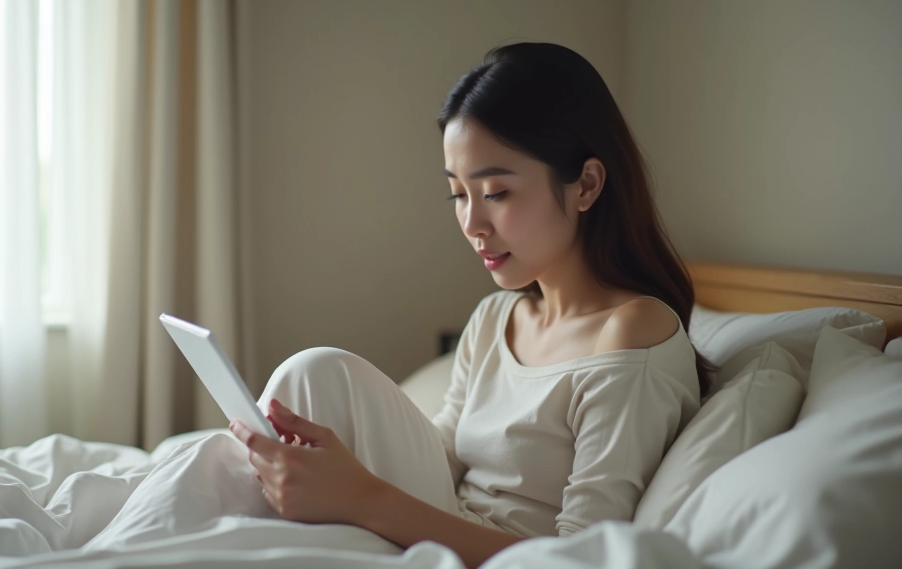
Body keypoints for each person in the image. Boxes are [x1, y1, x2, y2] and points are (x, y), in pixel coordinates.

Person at [228, 42, 716, 569]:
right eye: (458, 194)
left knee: (318, 373)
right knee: (294, 399)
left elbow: (582, 555)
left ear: (587, 185)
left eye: (497, 193)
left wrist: (361, 499)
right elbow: (442, 457)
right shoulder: (495, 317)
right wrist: (343, 476)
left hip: (488, 553)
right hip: (427, 524)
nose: (472, 224)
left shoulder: (632, 331)